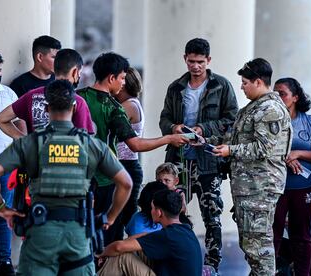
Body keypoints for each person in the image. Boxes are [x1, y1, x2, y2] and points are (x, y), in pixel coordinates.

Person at [0, 79, 133, 275]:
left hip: (39, 235)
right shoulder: (91, 144)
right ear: (74, 107)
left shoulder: (29, 143)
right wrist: (110, 217)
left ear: (46, 108)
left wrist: (2, 208)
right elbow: (126, 183)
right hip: (78, 238)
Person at [77, 52, 188, 245]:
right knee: (106, 235)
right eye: (121, 78)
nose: (122, 83)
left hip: (78, 176)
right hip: (105, 178)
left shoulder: (78, 98)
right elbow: (135, 144)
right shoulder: (113, 108)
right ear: (111, 78)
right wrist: (169, 138)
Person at [159, 38, 238, 271]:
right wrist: (173, 128)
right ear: (185, 59)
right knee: (173, 211)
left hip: (208, 160)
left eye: (200, 62)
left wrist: (204, 129)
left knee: (212, 213)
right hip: (178, 160)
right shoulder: (175, 88)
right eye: (191, 61)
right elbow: (164, 118)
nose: (195, 66)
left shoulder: (221, 86)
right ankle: (179, 258)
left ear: (208, 61)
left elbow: (232, 120)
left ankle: (213, 265)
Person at [213, 58, 292, 275]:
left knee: (259, 247)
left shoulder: (269, 109)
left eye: (245, 82)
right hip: (250, 189)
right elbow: (237, 137)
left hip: (260, 188)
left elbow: (263, 149)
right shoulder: (254, 107)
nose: (241, 86)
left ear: (258, 82)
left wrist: (231, 151)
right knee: (251, 245)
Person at [272, 77, 311, 276]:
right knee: (273, 233)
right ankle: (272, 271)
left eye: (282, 93)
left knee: (301, 235)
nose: (277, 97)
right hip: (277, 186)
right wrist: (286, 157)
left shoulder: (309, 121)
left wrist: (298, 154)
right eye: (274, 93)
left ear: (295, 97)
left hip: (306, 187)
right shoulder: (271, 122)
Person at [97, 189, 203, 276]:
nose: (150, 211)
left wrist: (100, 253)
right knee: (134, 249)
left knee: (122, 257)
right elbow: (144, 236)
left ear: (159, 212)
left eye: (152, 208)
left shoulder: (168, 236)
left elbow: (118, 247)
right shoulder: (184, 230)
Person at [0, 48, 94, 138]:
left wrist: (26, 142)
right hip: (67, 157)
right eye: (80, 73)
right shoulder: (77, 101)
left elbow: (0, 119)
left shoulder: (31, 95)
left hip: (36, 157)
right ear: (75, 72)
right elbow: (84, 140)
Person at [0, 49, 21, 276]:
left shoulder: (8, 94)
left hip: (3, 169)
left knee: (1, 215)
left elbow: (20, 125)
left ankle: (5, 263)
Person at [114, 67, 145, 229]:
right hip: (124, 165)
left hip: (126, 165)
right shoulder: (128, 104)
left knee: (123, 220)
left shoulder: (128, 106)